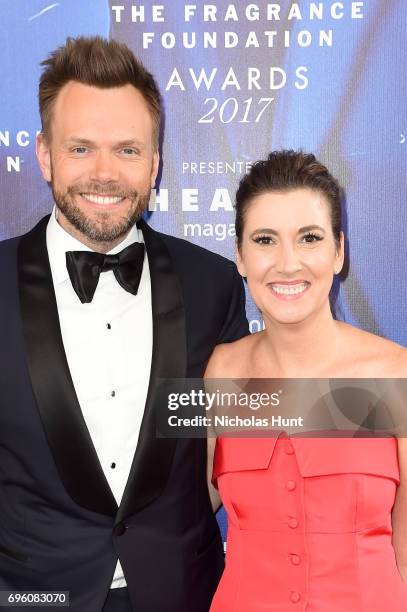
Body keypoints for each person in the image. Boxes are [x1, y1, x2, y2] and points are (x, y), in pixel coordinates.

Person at [0, 36, 249, 612]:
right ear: (44, 155)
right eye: (81, 148)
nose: (105, 173)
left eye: (128, 150)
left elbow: (252, 434)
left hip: (182, 594)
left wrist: (382, 395)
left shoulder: (212, 284)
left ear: (156, 162)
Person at [205, 150, 407, 611]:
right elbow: (186, 502)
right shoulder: (221, 371)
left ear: (339, 252)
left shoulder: (397, 374)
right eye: (265, 240)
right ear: (240, 257)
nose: (288, 263)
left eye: (309, 238)